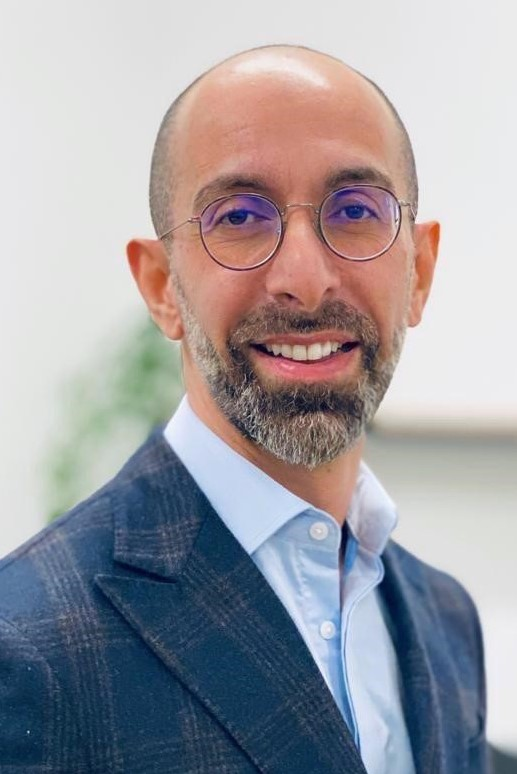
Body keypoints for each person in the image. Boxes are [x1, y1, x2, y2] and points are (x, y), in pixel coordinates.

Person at [0, 45, 489, 774]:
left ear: (418, 271)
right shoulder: (27, 646)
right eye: (239, 216)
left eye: (355, 211)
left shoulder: (446, 621)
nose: (304, 278)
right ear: (161, 286)